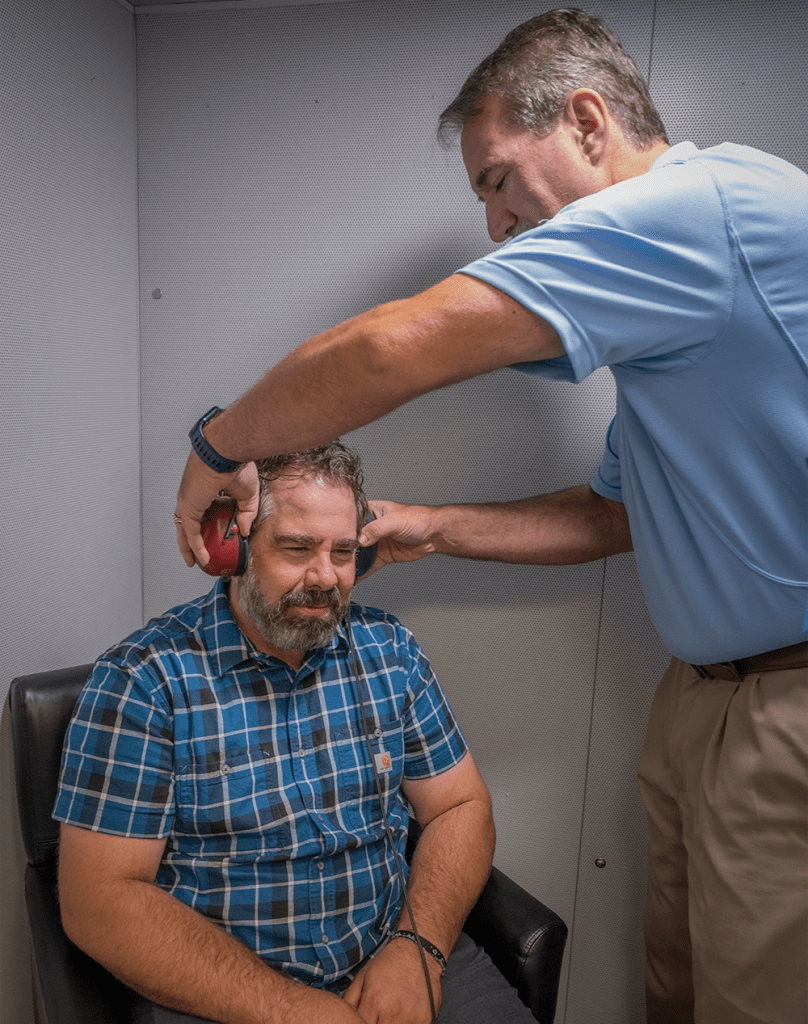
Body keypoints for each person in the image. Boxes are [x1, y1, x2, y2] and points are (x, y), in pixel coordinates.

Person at [170, 10, 808, 1024]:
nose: (495, 223)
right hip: (705, 704)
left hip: (787, 704)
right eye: (295, 544)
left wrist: (218, 447)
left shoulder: (699, 209)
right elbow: (610, 516)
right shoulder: (666, 342)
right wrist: (426, 526)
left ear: (589, 122)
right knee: (683, 985)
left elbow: (387, 352)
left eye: (497, 177)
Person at [54, 441, 538, 1024]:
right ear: (232, 549)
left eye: (342, 552)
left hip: (397, 956)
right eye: (296, 548)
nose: (325, 577)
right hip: (227, 990)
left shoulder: (389, 651)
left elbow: (461, 806)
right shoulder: (145, 680)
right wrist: (295, 1010)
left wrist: (419, 948)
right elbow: (98, 900)